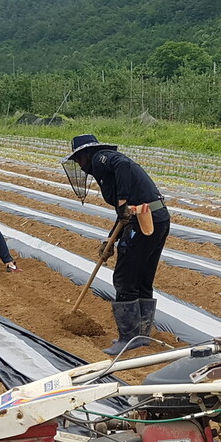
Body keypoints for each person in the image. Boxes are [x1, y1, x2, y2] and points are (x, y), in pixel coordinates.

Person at [62, 134, 170, 355]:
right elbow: (123, 216)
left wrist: (121, 202)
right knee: (142, 278)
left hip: (144, 221)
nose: (80, 166)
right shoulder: (106, 172)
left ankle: (129, 338)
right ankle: (141, 337)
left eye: (79, 160)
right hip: (156, 217)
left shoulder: (103, 157)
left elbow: (122, 165)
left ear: (86, 154)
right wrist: (109, 239)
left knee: (124, 278)